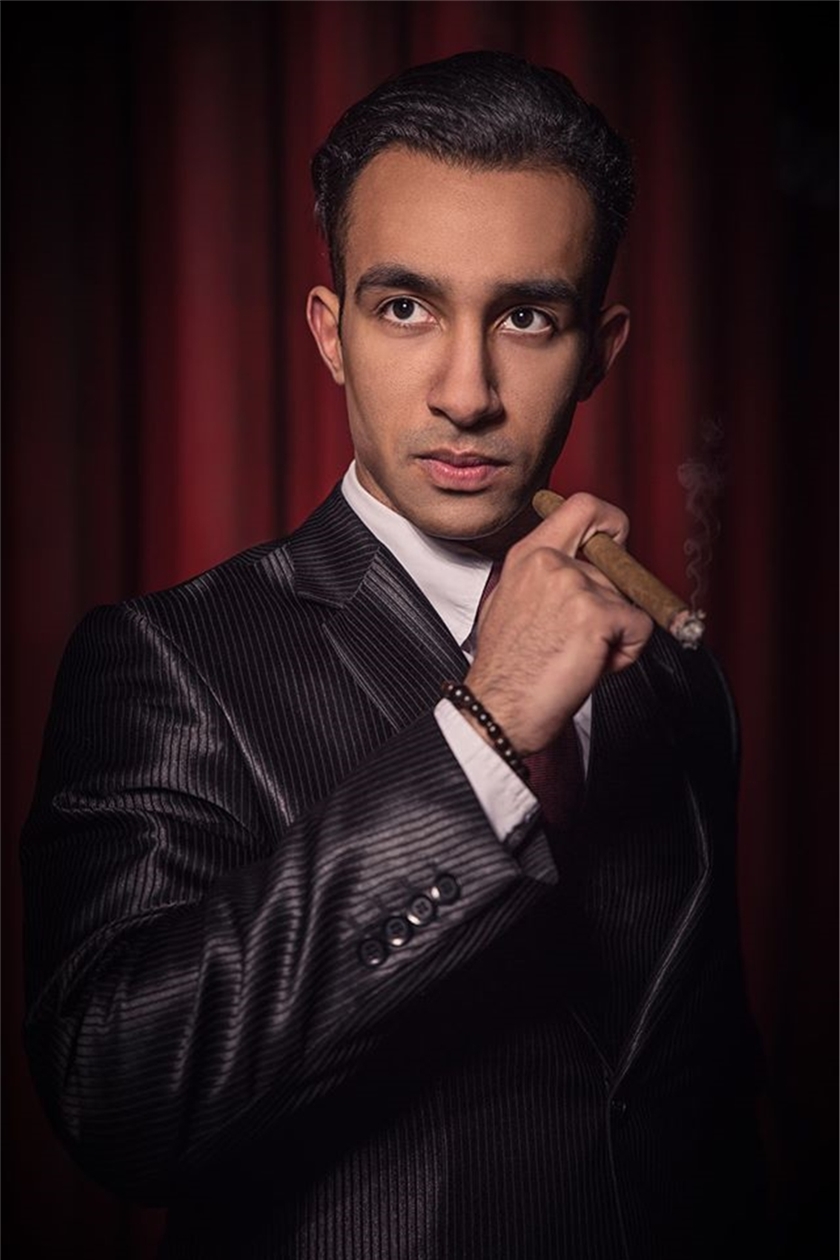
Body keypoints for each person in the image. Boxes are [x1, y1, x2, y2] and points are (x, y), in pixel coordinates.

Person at [21, 50, 765, 1259]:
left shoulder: (681, 680)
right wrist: (485, 725)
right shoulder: (168, 660)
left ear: (600, 349)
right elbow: (117, 1096)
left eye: (527, 317)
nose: (466, 392)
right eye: (406, 307)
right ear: (331, 334)